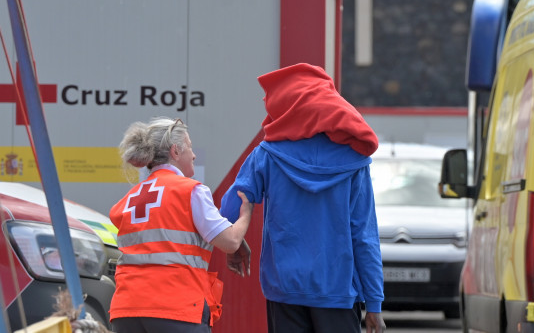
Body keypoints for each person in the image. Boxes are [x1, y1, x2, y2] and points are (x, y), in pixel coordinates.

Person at [220, 63, 386, 333]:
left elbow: (233, 205)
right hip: (338, 293)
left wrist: (234, 245)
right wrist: (375, 304)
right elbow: (364, 236)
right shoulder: (355, 161)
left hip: (284, 290)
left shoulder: (268, 154)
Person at [108, 117, 254, 333]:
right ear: (175, 151)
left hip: (126, 311)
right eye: (190, 148)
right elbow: (231, 241)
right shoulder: (190, 191)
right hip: (176, 310)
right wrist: (246, 214)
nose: (194, 155)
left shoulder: (129, 199)